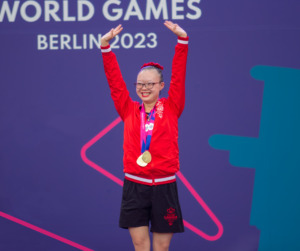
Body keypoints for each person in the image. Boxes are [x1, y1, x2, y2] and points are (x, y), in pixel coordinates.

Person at [100, 21, 189, 251]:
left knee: (160, 247)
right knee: (140, 245)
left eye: (150, 83)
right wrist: (105, 48)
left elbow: (179, 76)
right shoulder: (128, 109)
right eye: (140, 84)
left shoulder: (171, 107)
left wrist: (182, 41)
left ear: (161, 85)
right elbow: (115, 83)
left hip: (164, 186)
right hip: (134, 186)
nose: (144, 88)